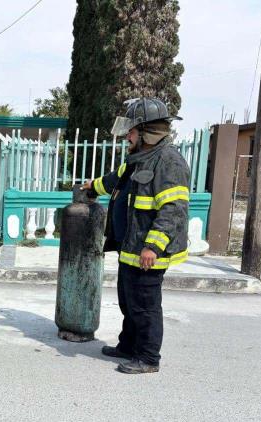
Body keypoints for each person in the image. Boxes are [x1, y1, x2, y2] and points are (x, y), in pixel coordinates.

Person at [82, 97, 190, 374]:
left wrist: (153, 246)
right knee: (127, 300)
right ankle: (128, 346)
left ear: (146, 131)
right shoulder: (138, 159)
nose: (127, 135)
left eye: (131, 130)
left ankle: (148, 358)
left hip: (148, 252)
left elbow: (174, 209)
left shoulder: (168, 161)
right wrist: (92, 186)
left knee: (145, 306)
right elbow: (113, 180)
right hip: (129, 247)